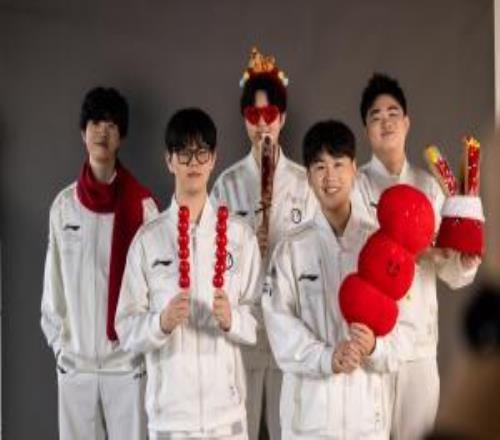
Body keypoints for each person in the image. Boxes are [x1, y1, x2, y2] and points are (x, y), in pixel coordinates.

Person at [116, 108, 261, 439]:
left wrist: (233, 320)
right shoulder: (148, 239)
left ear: (213, 159)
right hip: (171, 421)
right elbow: (125, 327)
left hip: (227, 418)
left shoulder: (239, 236)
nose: (193, 162)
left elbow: (259, 319)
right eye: (183, 152)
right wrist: (161, 323)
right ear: (169, 161)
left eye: (202, 152)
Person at [353, 73, 481, 440]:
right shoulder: (355, 188)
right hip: (371, 346)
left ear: (407, 122)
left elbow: (451, 271)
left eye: (393, 113)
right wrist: (414, 249)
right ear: (367, 130)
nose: (386, 122)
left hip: (418, 349)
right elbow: (355, 254)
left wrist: (464, 261)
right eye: (376, 116)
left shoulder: (431, 187)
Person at [211, 47, 317, 440]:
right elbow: (213, 260)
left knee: (289, 429)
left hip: (290, 329)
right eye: (253, 115)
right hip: (243, 330)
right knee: (237, 430)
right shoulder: (227, 184)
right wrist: (245, 250)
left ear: (282, 117)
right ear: (244, 119)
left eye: (269, 114)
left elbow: (316, 256)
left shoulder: (305, 182)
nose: (262, 125)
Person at [41, 86, 158, 440]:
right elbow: (53, 287)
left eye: (111, 125)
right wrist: (61, 348)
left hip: (125, 366)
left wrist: (138, 350)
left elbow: (154, 289)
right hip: (76, 366)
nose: (102, 132)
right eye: (95, 123)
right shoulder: (64, 207)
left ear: (121, 136)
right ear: (83, 132)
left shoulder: (143, 207)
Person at [263, 119, 392, 439]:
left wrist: (375, 347)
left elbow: (402, 331)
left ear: (355, 170)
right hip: (309, 423)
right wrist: (326, 358)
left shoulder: (380, 246)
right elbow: (279, 325)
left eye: (338, 164)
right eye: (320, 167)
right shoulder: (291, 250)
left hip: (366, 422)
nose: (330, 176)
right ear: (308, 176)